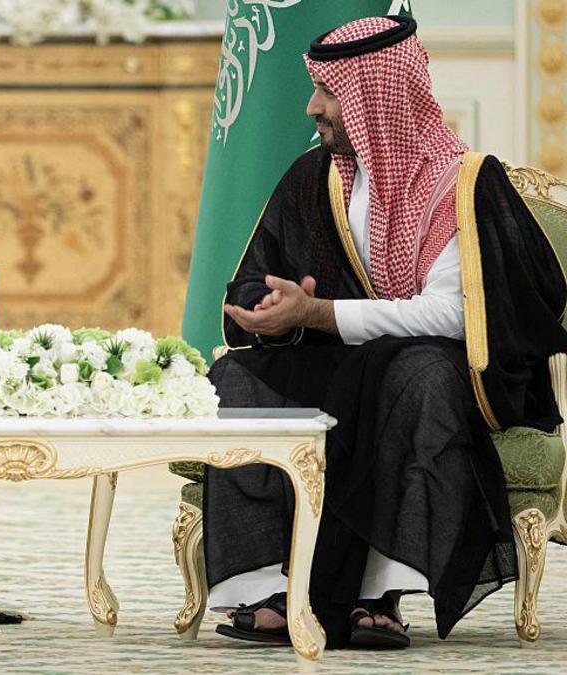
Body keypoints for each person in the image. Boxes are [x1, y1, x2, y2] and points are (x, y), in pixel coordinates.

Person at [206, 15, 567, 650]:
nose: (313, 107)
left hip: (435, 370)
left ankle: (379, 593)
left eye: (329, 91)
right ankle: (264, 589)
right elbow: (255, 275)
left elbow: (452, 315)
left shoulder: (460, 183)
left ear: (379, 97)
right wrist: (266, 308)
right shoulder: (314, 177)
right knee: (235, 376)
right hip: (338, 362)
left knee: (413, 371)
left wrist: (321, 315)